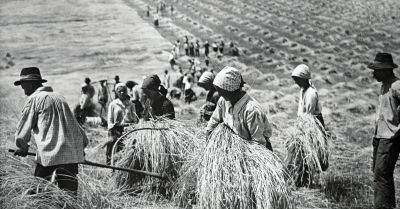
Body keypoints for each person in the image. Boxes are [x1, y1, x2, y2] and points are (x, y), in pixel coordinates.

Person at [13, 67, 88, 196]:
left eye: (23, 86)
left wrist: (23, 147)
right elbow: (77, 128)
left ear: (31, 84)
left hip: (50, 155)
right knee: (69, 198)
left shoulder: (34, 99)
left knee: (39, 196)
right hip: (70, 155)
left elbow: (23, 130)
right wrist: (81, 148)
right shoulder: (60, 97)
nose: (24, 91)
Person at [206, 66, 273, 151]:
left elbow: (258, 143)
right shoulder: (223, 101)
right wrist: (208, 144)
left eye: (221, 91)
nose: (219, 94)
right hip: (236, 147)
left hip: (255, 150)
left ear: (231, 90)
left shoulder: (251, 110)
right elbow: (213, 121)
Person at [368, 52, 400, 209]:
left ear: (387, 69)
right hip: (380, 135)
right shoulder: (384, 86)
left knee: (382, 173)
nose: (374, 73)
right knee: (378, 173)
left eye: (377, 70)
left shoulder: (396, 85)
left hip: (390, 137)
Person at [106, 83, 139, 165]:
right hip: (116, 130)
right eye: (119, 91)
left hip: (128, 130)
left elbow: (135, 119)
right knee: (114, 151)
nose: (122, 93)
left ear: (126, 92)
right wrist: (111, 130)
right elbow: (110, 120)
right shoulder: (113, 104)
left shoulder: (131, 104)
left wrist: (132, 126)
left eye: (124, 91)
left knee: (127, 151)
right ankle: (112, 168)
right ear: (116, 93)